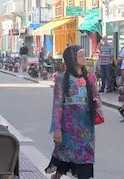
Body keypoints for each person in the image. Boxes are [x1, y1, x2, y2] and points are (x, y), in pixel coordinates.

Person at [45, 45, 101, 179]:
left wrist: (96, 102)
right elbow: (57, 106)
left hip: (86, 129)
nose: (84, 57)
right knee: (63, 160)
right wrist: (56, 130)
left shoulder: (91, 78)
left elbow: (97, 96)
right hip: (68, 129)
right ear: (72, 59)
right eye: (81, 55)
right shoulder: (62, 79)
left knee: (85, 162)